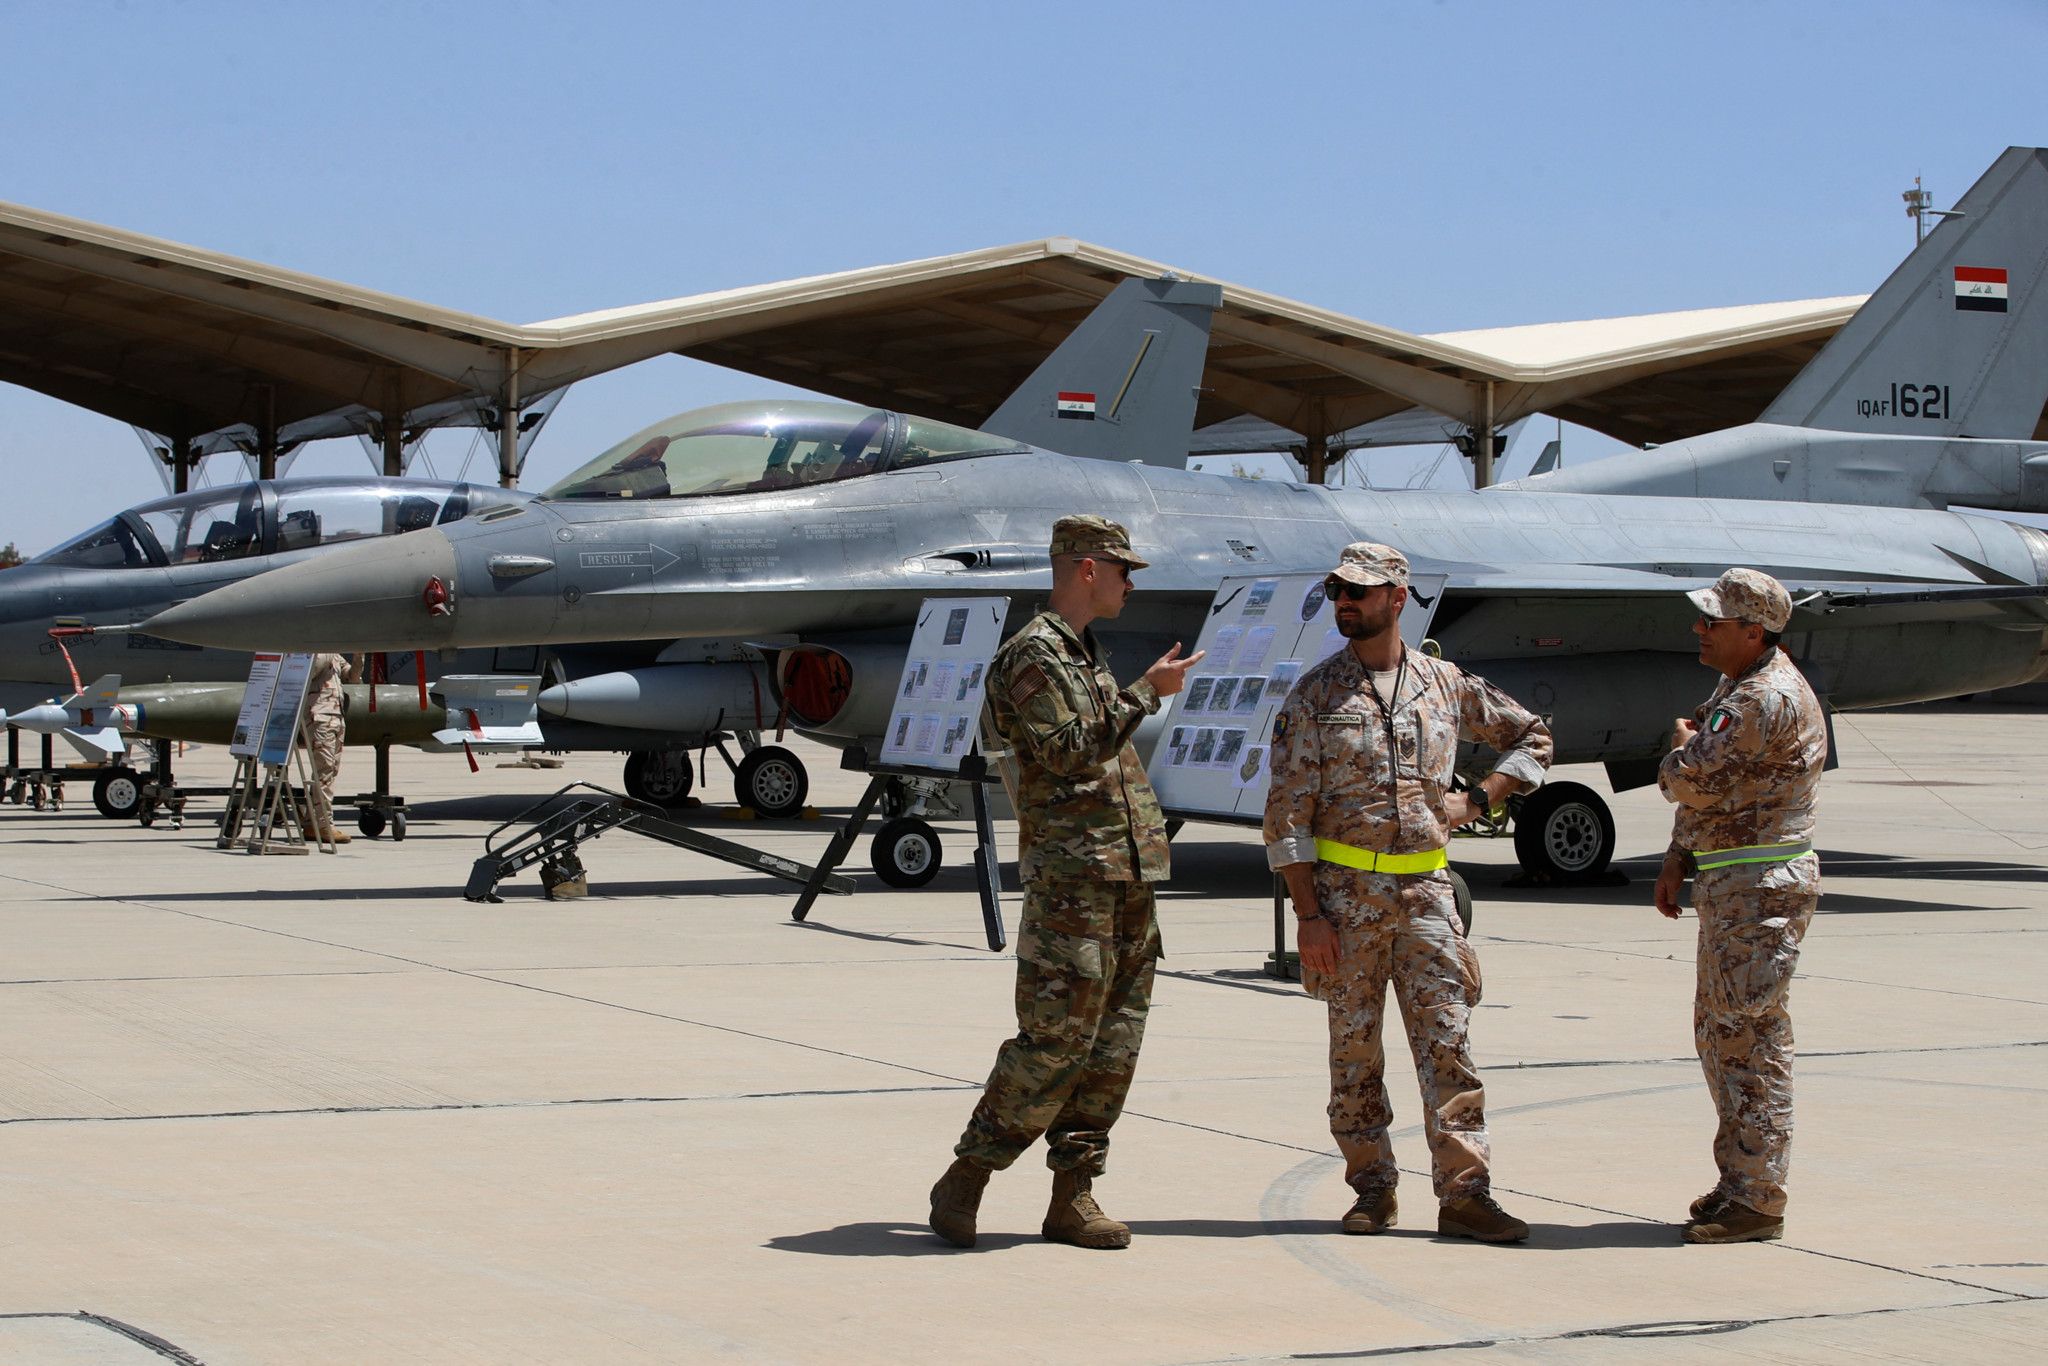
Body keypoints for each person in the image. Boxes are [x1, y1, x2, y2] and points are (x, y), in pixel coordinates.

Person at [928, 515, 1202, 1251]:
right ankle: (968, 1176)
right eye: (1123, 569)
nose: (1130, 582)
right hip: (1073, 880)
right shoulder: (1034, 657)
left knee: (1113, 1047)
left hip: (1124, 875)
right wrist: (1150, 691)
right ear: (1087, 568)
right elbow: (1071, 752)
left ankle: (1072, 1195)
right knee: (1054, 1041)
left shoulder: (1082, 655)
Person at [1264, 542, 1552, 1243]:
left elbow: (1533, 738)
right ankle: (1372, 1188)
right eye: (1338, 590)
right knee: (1354, 1053)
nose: (1345, 602)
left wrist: (1480, 798)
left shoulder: (1445, 684)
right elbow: (1287, 819)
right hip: (1344, 903)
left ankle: (1465, 1193)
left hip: (1427, 896)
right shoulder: (1316, 696)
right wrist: (1307, 916)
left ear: (1399, 597)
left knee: (1448, 1048)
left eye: (1360, 592)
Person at [1654, 567, 1826, 1245]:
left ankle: (1758, 1197)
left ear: (1752, 631)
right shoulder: (1737, 686)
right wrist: (1678, 857)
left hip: (1761, 891)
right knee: (1722, 1035)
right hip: (1734, 884)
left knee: (1749, 1041)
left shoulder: (1764, 698)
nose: (1699, 629)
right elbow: (1711, 795)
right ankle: (1741, 1181)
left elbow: (1689, 777)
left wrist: (1678, 749)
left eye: (1712, 621)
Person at [302, 652, 359, 845]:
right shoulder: (315, 651)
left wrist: (361, 654)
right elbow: (310, 671)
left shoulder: (334, 654)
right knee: (324, 771)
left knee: (330, 771)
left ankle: (312, 822)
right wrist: (327, 645)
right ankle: (324, 824)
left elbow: (353, 677)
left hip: (336, 716)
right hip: (320, 717)